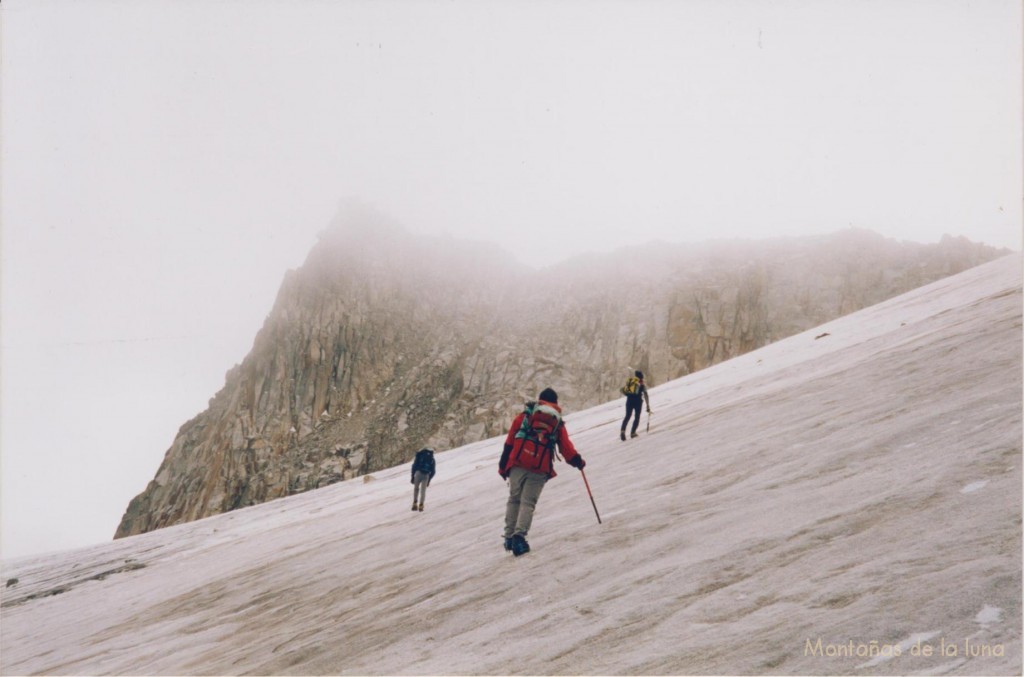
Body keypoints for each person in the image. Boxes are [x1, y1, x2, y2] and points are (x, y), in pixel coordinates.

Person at [498, 387, 585, 556]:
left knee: (514, 499)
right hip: (539, 468)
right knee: (528, 502)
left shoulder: (525, 416)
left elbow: (509, 442)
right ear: (555, 402)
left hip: (517, 463)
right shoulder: (556, 422)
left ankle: (509, 537)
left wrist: (503, 466)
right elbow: (566, 448)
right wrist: (578, 462)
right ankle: (519, 537)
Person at [619, 370, 652, 441]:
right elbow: (645, 394)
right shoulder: (641, 384)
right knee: (637, 417)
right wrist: (648, 405)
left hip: (629, 400)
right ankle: (633, 432)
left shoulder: (631, 382)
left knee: (627, 416)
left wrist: (629, 394)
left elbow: (622, 390)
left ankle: (622, 431)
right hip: (638, 402)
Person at [410, 447, 435, 511]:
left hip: (418, 473)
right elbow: (433, 471)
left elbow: (414, 466)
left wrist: (412, 476)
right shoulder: (432, 459)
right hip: (426, 475)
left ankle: (415, 503)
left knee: (416, 489)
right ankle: (421, 505)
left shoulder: (419, 455)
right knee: (423, 491)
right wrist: (429, 480)